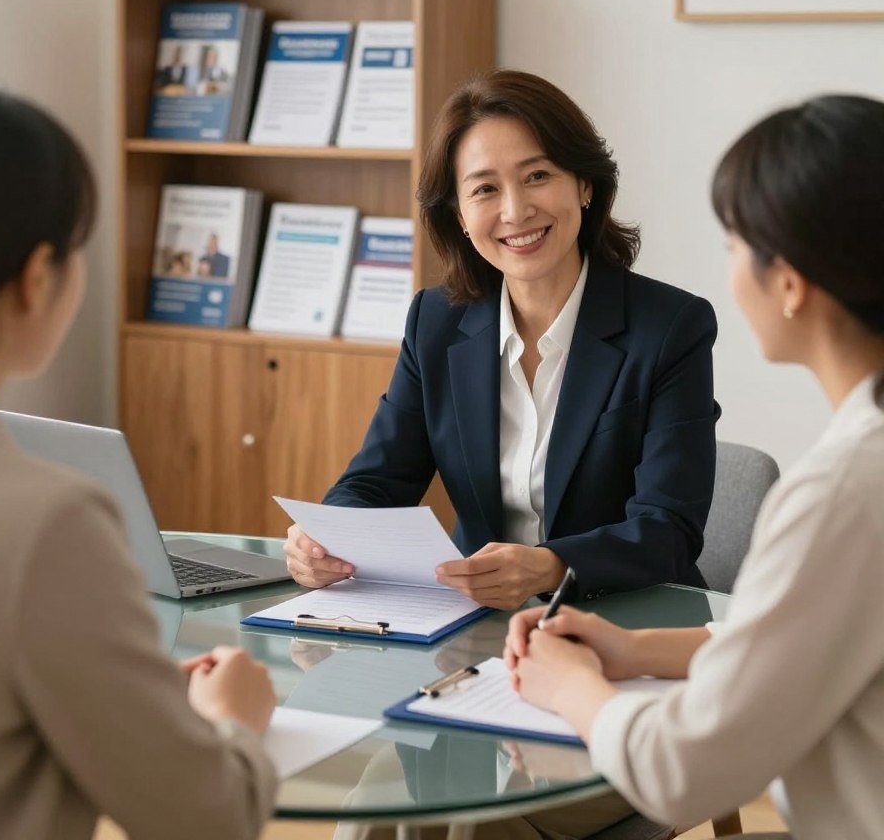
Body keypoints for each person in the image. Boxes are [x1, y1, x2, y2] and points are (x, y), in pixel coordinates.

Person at [0, 86, 278, 840]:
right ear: (38, 275)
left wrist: (136, 702)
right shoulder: (44, 520)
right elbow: (209, 820)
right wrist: (234, 723)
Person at [505, 95, 884, 839]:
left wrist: (575, 688)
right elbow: (809, 626)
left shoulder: (843, 492)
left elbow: (683, 774)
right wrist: (635, 648)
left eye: (735, 241)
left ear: (790, 282)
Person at [285, 70, 720, 609]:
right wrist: (326, 537)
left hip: (629, 618)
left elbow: (669, 528)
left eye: (537, 176)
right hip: (478, 619)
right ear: (461, 216)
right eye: (485, 189)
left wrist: (552, 565)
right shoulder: (435, 322)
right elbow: (376, 482)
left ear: (585, 184)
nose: (515, 211)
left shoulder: (670, 327)